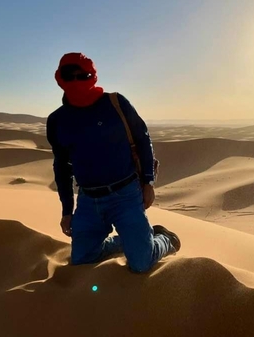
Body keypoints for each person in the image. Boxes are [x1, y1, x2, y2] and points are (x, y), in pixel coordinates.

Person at [46, 52, 181, 272]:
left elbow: (143, 139)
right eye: (69, 75)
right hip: (89, 200)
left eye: (84, 75)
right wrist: (66, 211)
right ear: (59, 77)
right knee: (82, 259)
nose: (77, 82)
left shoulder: (115, 103)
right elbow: (62, 166)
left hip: (125, 195)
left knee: (141, 263)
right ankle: (132, 240)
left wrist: (148, 183)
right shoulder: (57, 120)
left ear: (93, 76)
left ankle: (165, 239)